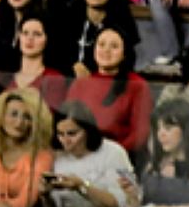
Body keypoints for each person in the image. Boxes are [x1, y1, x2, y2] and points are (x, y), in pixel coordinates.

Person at [63, 26, 152, 154]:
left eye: (114, 46)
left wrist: (110, 155)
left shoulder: (137, 85)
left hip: (119, 156)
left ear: (124, 53)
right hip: (81, 154)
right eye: (101, 44)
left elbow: (140, 134)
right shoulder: (81, 83)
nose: (106, 50)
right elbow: (66, 125)